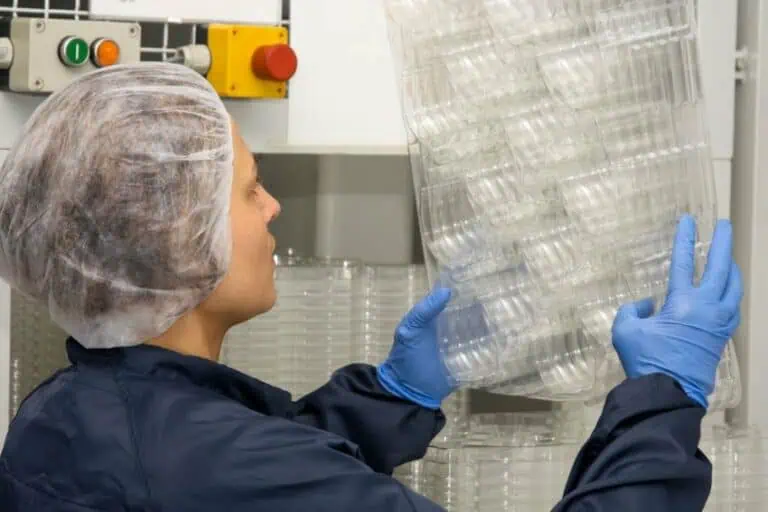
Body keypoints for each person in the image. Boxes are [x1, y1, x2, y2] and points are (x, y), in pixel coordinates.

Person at [0, 63, 741, 512]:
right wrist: (663, 403)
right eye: (252, 191)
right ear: (174, 234)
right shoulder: (210, 462)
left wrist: (394, 394)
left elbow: (261, 473)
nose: (273, 209)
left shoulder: (68, 412)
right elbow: (257, 478)